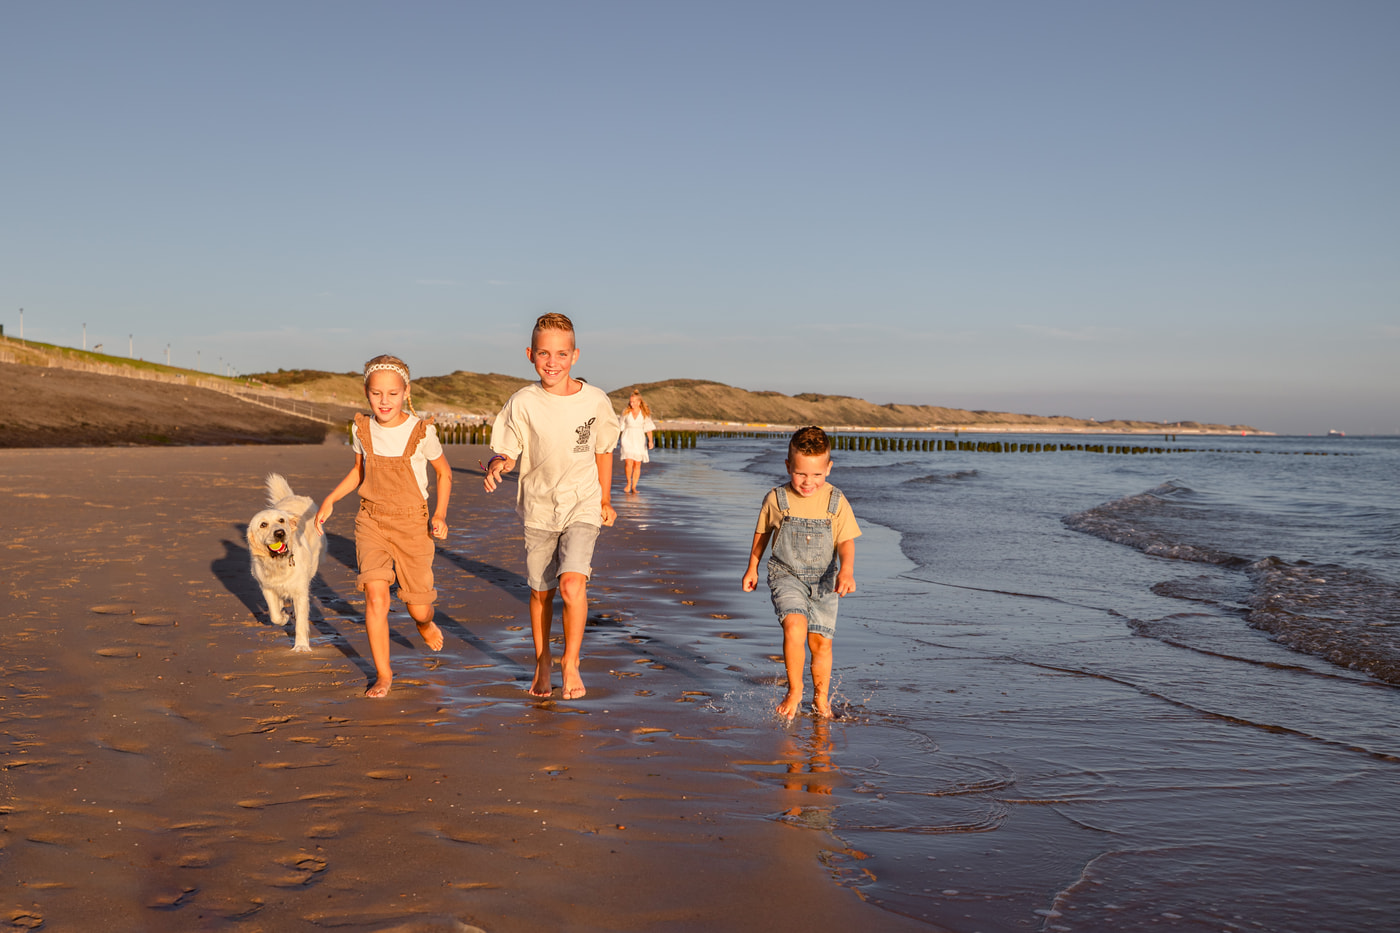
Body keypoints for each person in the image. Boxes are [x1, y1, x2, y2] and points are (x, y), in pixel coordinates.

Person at [483, 313, 620, 700]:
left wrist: (606, 499)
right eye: (544, 353)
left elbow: (604, 449)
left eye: (561, 353)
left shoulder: (595, 400)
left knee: (572, 583)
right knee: (542, 591)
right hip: (539, 508)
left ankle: (570, 662)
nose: (552, 361)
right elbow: (508, 450)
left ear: (575, 355)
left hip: (583, 502)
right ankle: (542, 660)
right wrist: (498, 465)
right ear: (530, 354)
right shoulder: (523, 402)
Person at [315, 355, 451, 698]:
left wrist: (440, 514)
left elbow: (444, 473)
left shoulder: (422, 431)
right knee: (375, 596)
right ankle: (384, 674)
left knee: (418, 605)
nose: (384, 401)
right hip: (371, 520)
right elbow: (359, 470)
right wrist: (330, 499)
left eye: (392, 393)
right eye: (377, 394)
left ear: (406, 392)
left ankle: (424, 622)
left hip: (412, 525)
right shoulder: (362, 429)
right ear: (366, 393)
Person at [742, 426, 860, 720]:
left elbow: (846, 541)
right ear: (788, 466)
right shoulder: (776, 498)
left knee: (821, 642)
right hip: (786, 574)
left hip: (824, 580)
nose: (808, 482)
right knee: (794, 626)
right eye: (801, 474)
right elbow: (762, 534)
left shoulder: (836, 500)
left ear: (829, 468)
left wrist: (847, 570)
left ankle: (821, 699)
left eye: (817, 475)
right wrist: (752, 567)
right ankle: (795, 690)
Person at [617, 391, 656, 493]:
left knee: (637, 463)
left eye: (633, 402)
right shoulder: (626, 412)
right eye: (630, 402)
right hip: (627, 437)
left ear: (639, 402)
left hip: (639, 439)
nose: (631, 404)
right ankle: (628, 483)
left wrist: (650, 441)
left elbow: (648, 428)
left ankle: (634, 486)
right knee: (628, 462)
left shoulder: (644, 413)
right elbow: (620, 427)